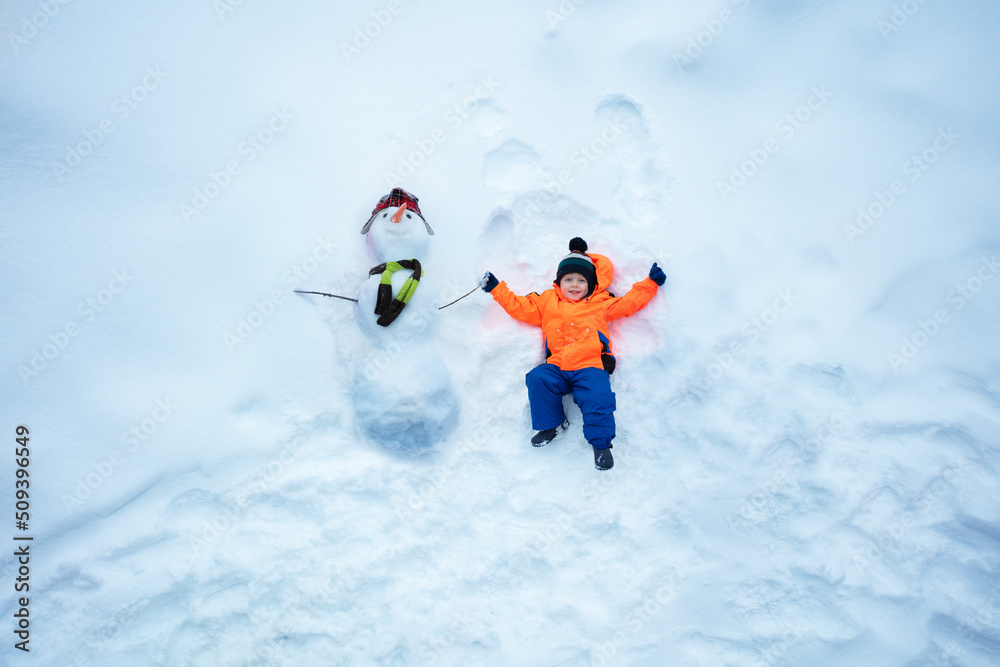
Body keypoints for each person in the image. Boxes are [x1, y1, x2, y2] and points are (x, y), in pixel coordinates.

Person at [482, 237, 665, 470]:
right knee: (538, 378)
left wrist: (650, 284)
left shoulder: (600, 302)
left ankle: (601, 445)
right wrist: (497, 289)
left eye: (581, 280)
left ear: (590, 284)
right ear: (559, 282)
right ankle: (552, 425)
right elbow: (519, 307)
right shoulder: (546, 302)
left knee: (598, 397)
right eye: (568, 279)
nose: (575, 284)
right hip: (558, 366)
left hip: (590, 367)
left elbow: (628, 303)